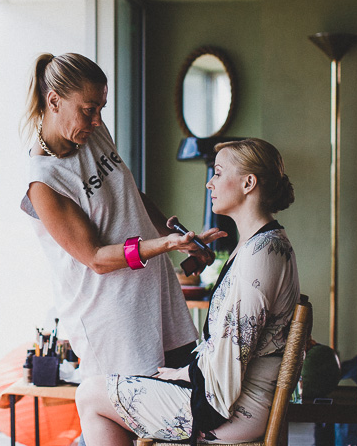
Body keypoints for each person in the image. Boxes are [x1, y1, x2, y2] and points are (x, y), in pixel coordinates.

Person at [75, 138, 300, 445]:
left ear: (249, 183)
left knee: (90, 395)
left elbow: (230, 362)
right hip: (229, 398)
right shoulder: (256, 246)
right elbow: (227, 351)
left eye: (219, 173)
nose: (210, 183)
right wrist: (183, 374)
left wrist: (187, 379)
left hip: (231, 411)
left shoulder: (262, 255)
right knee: (120, 389)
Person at [20, 52, 222, 377]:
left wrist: (182, 239)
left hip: (154, 290)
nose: (97, 120)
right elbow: (97, 258)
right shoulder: (44, 182)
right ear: (54, 101)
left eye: (100, 108)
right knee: (134, 417)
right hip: (112, 315)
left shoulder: (92, 133)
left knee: (185, 403)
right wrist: (165, 245)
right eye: (89, 110)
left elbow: (129, 195)